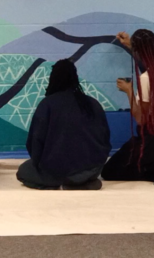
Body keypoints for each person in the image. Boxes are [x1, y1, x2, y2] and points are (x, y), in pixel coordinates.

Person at [101, 29, 154, 186]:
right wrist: (130, 44)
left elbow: (142, 119)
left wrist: (129, 92)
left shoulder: (146, 79)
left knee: (109, 171)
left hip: (152, 139)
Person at [16, 59, 111, 190]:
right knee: (81, 173)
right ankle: (81, 183)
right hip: (90, 170)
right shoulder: (92, 104)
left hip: (55, 172)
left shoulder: (47, 104)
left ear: (52, 79)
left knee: (23, 170)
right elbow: (105, 140)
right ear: (75, 78)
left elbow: (35, 143)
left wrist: (39, 164)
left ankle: (59, 184)